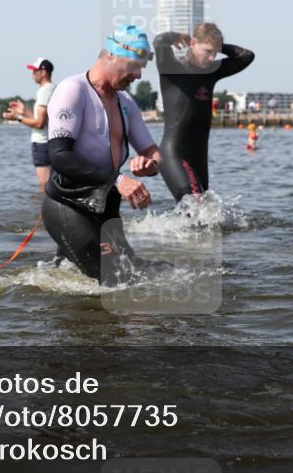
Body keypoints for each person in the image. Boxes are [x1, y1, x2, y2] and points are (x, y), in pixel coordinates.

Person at [41, 25, 163, 286]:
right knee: (121, 283)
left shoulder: (126, 103)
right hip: (70, 206)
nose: (139, 75)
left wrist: (148, 164)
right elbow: (60, 156)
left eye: (142, 67)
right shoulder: (73, 90)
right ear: (110, 55)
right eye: (134, 65)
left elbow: (154, 153)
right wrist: (119, 180)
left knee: (143, 273)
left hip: (105, 210)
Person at [153, 23, 254, 201]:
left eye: (215, 53)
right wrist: (178, 36)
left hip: (198, 157)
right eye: (207, 51)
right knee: (197, 207)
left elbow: (247, 56)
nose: (211, 57)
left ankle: (162, 229)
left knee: (203, 214)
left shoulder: (211, 72)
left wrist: (218, 45)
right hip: (174, 154)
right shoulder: (172, 68)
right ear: (193, 43)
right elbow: (159, 41)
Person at [2, 57, 56, 192]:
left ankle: (43, 212)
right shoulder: (51, 88)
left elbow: (39, 124)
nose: (32, 74)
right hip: (49, 142)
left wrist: (18, 117)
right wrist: (25, 111)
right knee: (51, 183)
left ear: (44, 72)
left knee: (45, 185)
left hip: (42, 144)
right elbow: (42, 120)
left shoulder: (44, 91)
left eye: (35, 71)